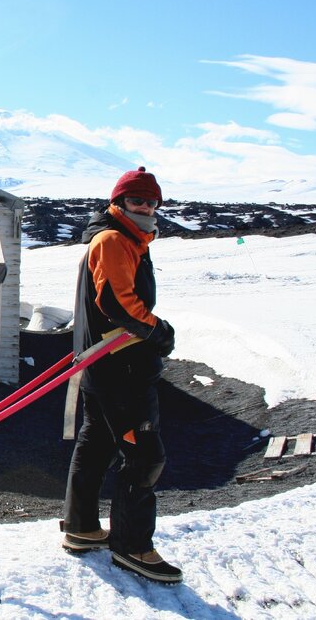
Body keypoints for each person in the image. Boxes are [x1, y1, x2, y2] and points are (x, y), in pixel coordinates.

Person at [60, 166, 181, 584]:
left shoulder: (128, 239)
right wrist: (157, 329)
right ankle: (133, 547)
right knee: (145, 455)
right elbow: (117, 301)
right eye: (137, 200)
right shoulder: (114, 239)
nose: (145, 206)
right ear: (119, 203)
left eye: (151, 201)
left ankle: (81, 527)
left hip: (103, 364)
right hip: (122, 368)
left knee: (95, 445)